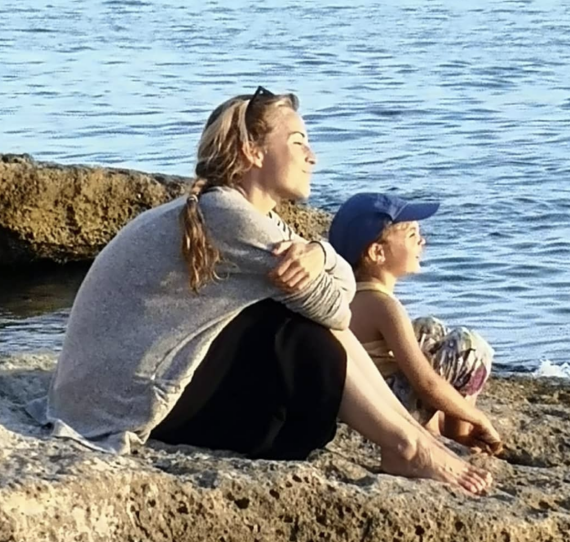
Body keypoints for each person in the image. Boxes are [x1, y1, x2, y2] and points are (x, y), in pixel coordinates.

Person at [27, 87, 493, 494]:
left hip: (107, 396)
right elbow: (336, 310)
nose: (313, 155)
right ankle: (409, 445)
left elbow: (341, 289)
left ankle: (411, 440)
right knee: (302, 333)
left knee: (295, 327)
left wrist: (320, 253)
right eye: (298, 142)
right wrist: (321, 260)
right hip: (121, 409)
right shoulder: (229, 215)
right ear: (252, 151)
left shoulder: (246, 216)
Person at [328, 192, 502, 454]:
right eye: (412, 235)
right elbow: (426, 384)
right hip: (384, 410)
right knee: (471, 348)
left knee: (427, 329)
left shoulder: (351, 296)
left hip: (358, 402)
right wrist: (479, 418)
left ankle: (435, 426)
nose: (423, 241)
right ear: (377, 252)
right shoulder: (383, 306)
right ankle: (462, 432)